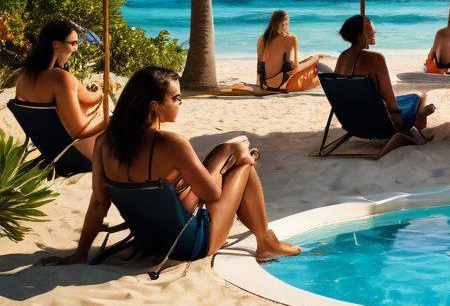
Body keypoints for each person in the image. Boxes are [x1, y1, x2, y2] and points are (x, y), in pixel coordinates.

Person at [42, 66, 300, 264]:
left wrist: (80, 253)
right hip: (188, 244)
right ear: (155, 106)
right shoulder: (172, 144)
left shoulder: (105, 143)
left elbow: (99, 202)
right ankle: (265, 240)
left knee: (227, 153)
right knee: (244, 166)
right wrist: (231, 155)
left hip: (149, 242)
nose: (179, 103)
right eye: (176, 98)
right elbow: (212, 194)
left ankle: (236, 157)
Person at [14, 19, 107, 159]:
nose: (76, 48)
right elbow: (79, 131)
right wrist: (109, 120)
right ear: (56, 44)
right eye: (73, 43)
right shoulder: (60, 78)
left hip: (51, 151)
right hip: (77, 155)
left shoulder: (22, 78)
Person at [335, 15, 434, 140]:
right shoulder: (376, 59)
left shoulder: (342, 58)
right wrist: (398, 116)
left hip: (351, 123)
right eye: (369, 27)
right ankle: (418, 120)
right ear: (360, 35)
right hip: (380, 124)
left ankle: (419, 114)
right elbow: (389, 98)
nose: (374, 31)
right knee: (418, 97)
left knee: (405, 99)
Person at [256, 10, 325, 91]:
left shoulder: (262, 39)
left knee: (309, 61)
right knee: (313, 60)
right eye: (286, 24)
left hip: (264, 83)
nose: (286, 26)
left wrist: (259, 83)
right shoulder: (291, 38)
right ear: (286, 22)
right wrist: (311, 60)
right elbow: (295, 67)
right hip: (280, 83)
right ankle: (316, 60)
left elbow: (259, 65)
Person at [424, 4, 450, 74]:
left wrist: (429, 60)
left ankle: (446, 69)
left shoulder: (440, 32)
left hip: (441, 66)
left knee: (432, 51)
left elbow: (432, 53)